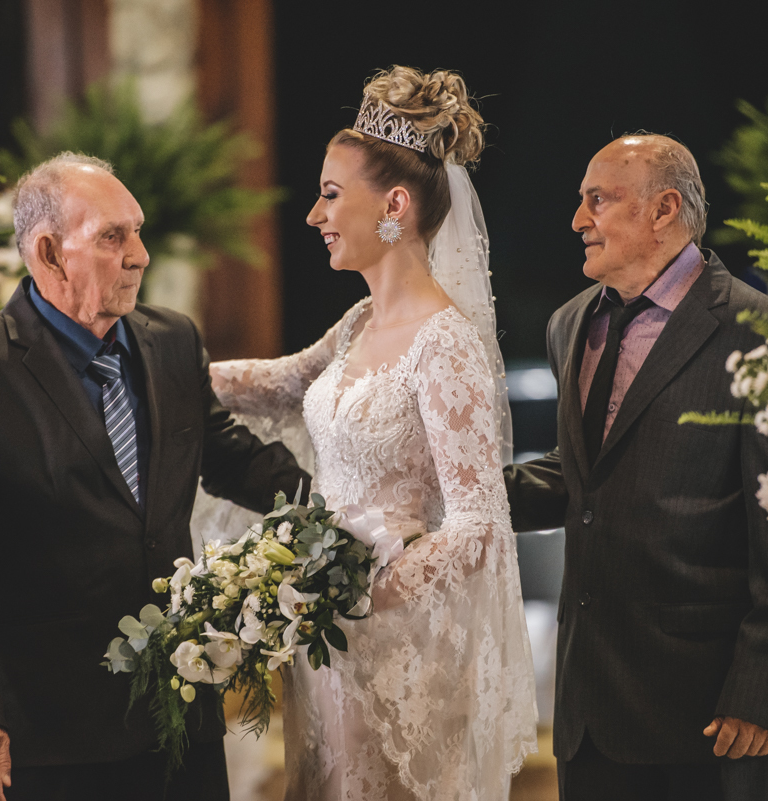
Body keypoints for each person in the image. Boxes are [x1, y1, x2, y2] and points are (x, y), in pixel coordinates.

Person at [0, 153, 311, 801]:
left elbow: (227, 453)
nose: (140, 254)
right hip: (53, 733)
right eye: (113, 236)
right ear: (50, 252)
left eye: (138, 231)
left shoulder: (174, 340)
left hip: (181, 716)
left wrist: (334, 510)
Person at [198, 66, 538, 800]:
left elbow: (478, 524)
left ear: (394, 204)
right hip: (324, 647)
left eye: (329, 195)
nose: (315, 217)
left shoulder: (445, 342)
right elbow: (283, 381)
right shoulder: (358, 324)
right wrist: (159, 361)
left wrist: (349, 590)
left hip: (396, 642)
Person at [503, 134, 768, 801]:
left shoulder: (760, 331)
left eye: (598, 200)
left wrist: (762, 688)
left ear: (663, 209)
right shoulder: (570, 325)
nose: (577, 220)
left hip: (714, 707)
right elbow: (579, 479)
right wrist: (458, 497)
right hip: (592, 704)